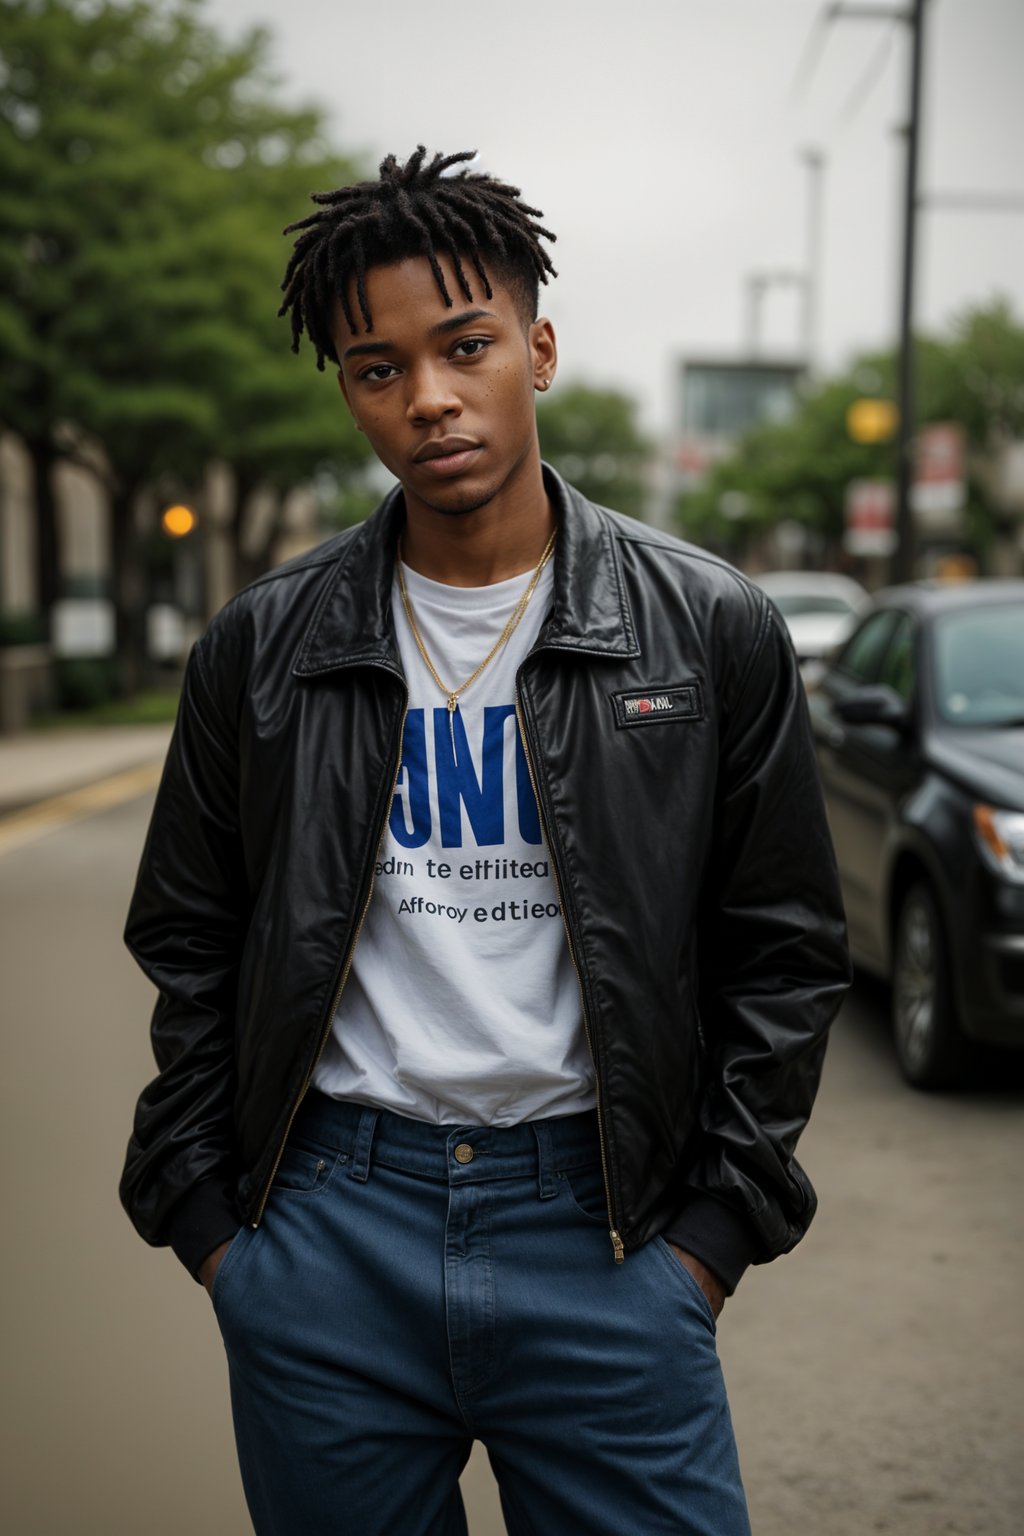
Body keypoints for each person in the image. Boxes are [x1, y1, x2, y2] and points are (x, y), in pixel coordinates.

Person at [120, 146, 851, 1536]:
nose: (429, 399)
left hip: (607, 1228)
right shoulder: (263, 648)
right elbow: (189, 939)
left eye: (466, 346)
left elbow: (786, 950)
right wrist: (218, 1233)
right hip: (330, 1224)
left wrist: (710, 1240)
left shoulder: (706, 632)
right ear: (347, 388)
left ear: (540, 345)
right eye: (375, 367)